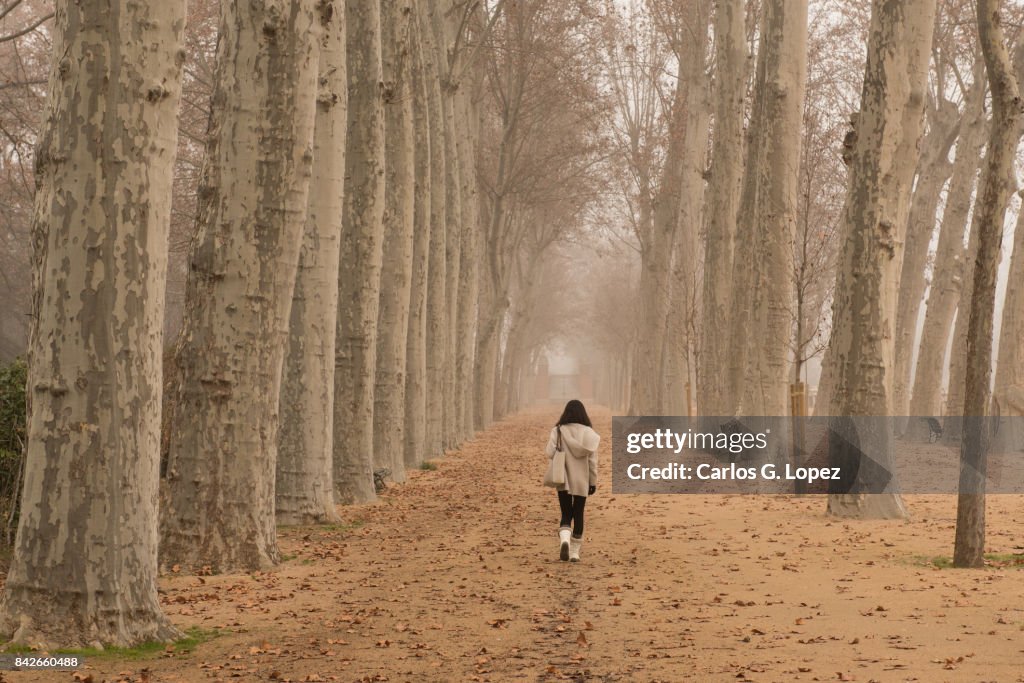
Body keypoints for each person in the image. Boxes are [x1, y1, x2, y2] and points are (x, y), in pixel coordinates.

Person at [545, 399, 600, 562]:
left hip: (563, 477)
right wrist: (593, 481)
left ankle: (564, 540)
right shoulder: (589, 433)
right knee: (579, 513)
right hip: (582, 478)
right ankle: (575, 552)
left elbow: (549, 452)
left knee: (566, 513)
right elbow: (592, 461)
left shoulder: (558, 431)